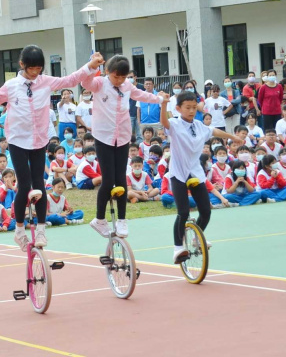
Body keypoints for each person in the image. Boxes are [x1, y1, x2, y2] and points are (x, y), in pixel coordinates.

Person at [0, 46, 102, 250]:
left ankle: (40, 229)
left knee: (39, 183)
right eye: (32, 69)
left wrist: (90, 66)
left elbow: (71, 80)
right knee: (24, 182)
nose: (35, 72)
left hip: (39, 138)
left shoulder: (46, 81)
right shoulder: (12, 85)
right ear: (22, 65)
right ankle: (19, 229)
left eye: (39, 68)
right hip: (18, 139)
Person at [81, 55, 164, 239]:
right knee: (108, 179)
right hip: (103, 136)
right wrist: (91, 66)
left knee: (121, 180)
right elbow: (85, 81)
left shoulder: (127, 86)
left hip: (123, 136)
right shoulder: (99, 83)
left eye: (123, 77)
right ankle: (99, 219)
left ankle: (122, 220)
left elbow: (142, 95)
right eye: (116, 77)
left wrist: (159, 99)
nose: (119, 81)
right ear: (108, 72)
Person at [160, 90, 243, 263]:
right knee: (182, 212)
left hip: (196, 172)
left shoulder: (199, 125)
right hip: (178, 173)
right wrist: (163, 104)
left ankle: (197, 237)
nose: (191, 111)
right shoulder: (174, 124)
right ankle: (178, 247)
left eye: (193, 107)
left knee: (206, 210)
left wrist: (232, 137)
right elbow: (164, 122)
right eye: (187, 107)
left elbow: (214, 132)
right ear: (178, 108)